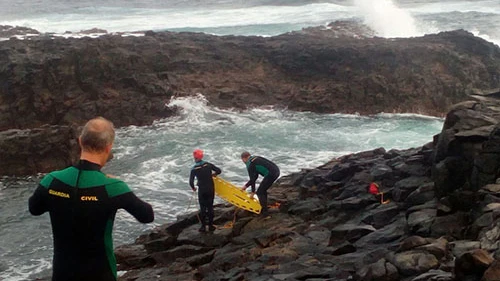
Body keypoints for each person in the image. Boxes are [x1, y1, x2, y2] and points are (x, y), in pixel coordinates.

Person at [28, 117, 154, 281]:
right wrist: (115, 185)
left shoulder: (51, 180)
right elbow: (147, 216)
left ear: (80, 142)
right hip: (100, 274)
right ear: (108, 148)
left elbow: (34, 209)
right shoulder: (113, 187)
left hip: (62, 274)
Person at [189, 149, 221, 232]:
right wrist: (213, 175)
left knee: (203, 208)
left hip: (202, 190)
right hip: (210, 188)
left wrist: (193, 188)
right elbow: (219, 170)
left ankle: (203, 227)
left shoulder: (194, 168)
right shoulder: (208, 164)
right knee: (210, 207)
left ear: (195, 158)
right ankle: (210, 226)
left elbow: (191, 182)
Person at [240, 151, 280, 217]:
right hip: (276, 170)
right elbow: (255, 177)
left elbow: (252, 179)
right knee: (263, 190)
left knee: (260, 192)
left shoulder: (249, 164)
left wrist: (252, 192)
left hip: (271, 174)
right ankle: (265, 207)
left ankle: (265, 213)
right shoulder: (255, 158)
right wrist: (246, 186)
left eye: (242, 160)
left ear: (244, 159)